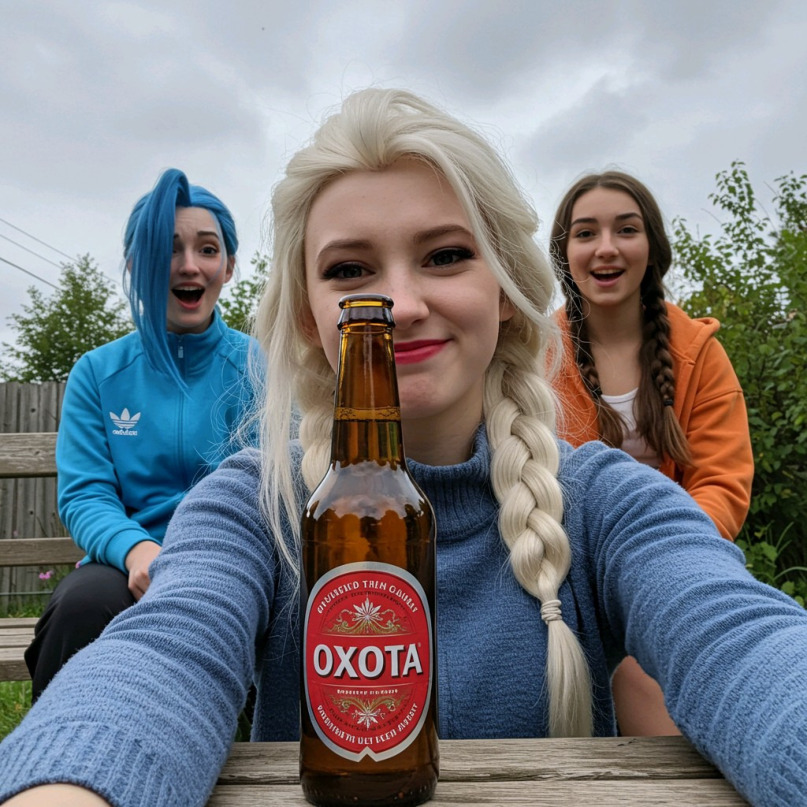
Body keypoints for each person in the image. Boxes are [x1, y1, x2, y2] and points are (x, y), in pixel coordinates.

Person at [1, 90, 805, 807]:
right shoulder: (251, 505)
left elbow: (739, 638)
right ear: (310, 316)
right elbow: (162, 659)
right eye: (350, 267)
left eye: (445, 255)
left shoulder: (606, 498)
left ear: (507, 291)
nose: (399, 303)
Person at [23, 167, 257, 701]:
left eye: (207, 249)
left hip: (233, 559)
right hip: (124, 565)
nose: (189, 265)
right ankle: (58, 747)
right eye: (168, 249)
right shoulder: (97, 372)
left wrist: (205, 559)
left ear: (228, 267)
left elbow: (268, 486)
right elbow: (86, 494)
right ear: (135, 263)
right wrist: (137, 551)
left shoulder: (259, 367)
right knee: (80, 607)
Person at [549, 171, 754, 736]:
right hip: (567, 572)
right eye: (586, 233)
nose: (606, 248)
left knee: (659, 686)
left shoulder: (700, 352)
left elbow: (721, 481)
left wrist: (664, 560)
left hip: (676, 559)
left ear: (652, 246)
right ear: (565, 253)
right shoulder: (536, 354)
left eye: (626, 229)